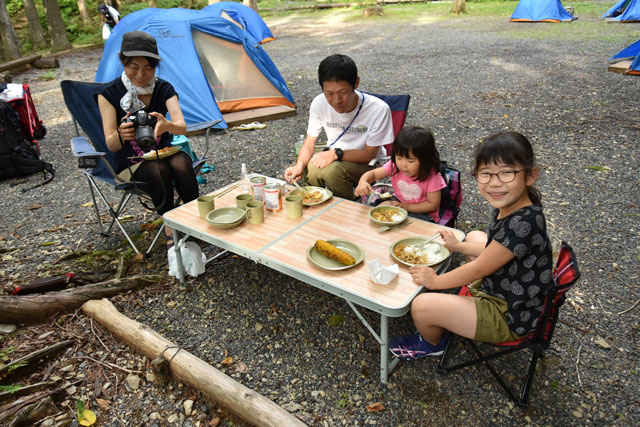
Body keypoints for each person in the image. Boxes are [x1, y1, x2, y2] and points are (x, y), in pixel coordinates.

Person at [388, 131, 552, 360]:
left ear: (530, 175)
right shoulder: (519, 207)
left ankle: (432, 343)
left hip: (509, 314)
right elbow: (497, 250)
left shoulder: (521, 224)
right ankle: (456, 306)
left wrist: (435, 282)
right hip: (510, 289)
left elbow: (478, 269)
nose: (495, 183)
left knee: (421, 305)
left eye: (507, 173)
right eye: (486, 174)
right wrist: (458, 247)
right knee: (474, 236)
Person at [97, 31, 197, 248]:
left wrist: (167, 125)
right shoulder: (108, 94)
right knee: (158, 168)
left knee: (181, 161)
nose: (141, 75)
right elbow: (111, 144)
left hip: (164, 151)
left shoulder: (163, 88)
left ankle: (194, 216)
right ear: (122, 60)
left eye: (149, 68)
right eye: (133, 66)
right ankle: (170, 225)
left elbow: (182, 127)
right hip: (132, 162)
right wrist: (121, 135)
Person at [284, 54, 394, 199]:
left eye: (343, 92)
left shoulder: (378, 109)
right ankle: (317, 205)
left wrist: (335, 154)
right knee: (310, 166)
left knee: (332, 171)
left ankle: (346, 210)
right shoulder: (319, 103)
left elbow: (369, 154)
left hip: (368, 165)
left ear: (356, 83)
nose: (336, 101)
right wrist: (298, 166)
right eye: (329, 93)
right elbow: (309, 144)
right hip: (336, 159)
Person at [354, 125, 445, 222]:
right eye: (399, 158)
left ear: (425, 160)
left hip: (422, 212)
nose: (403, 165)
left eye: (410, 161)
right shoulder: (395, 166)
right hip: (399, 202)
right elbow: (374, 174)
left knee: (406, 224)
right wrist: (363, 181)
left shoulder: (432, 177)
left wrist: (407, 207)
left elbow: (432, 205)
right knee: (379, 211)